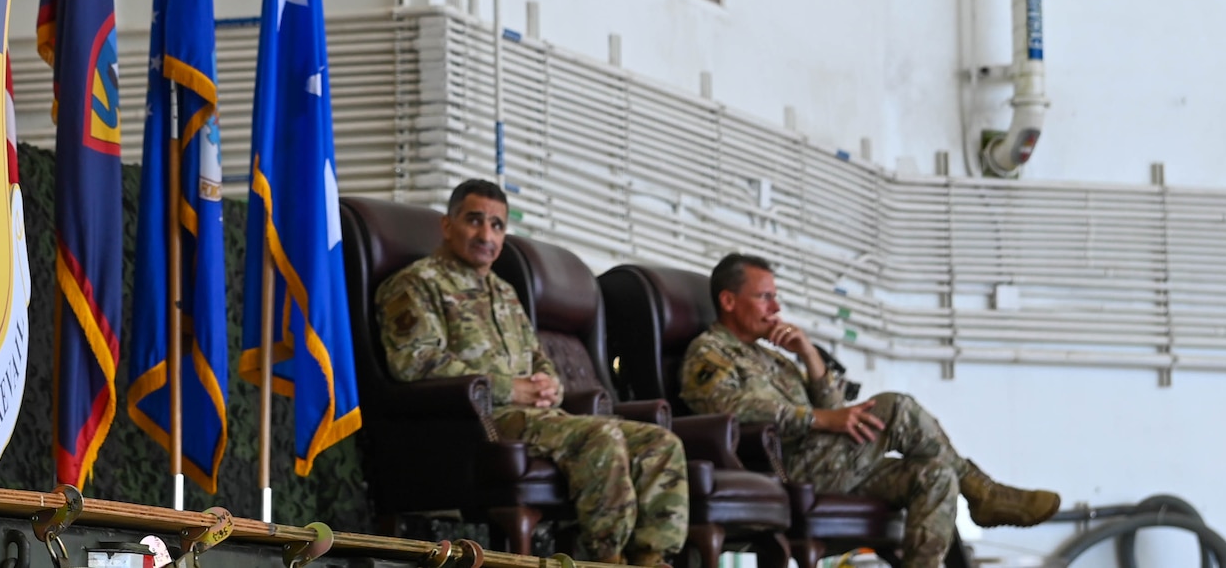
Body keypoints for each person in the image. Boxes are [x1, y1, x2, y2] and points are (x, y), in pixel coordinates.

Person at [377, 179, 687, 566]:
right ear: (447, 225)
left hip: (537, 417)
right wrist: (511, 389)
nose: (485, 234)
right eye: (474, 221)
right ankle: (605, 559)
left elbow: (539, 360)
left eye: (497, 225)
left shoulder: (504, 292)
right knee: (602, 435)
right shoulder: (416, 284)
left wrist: (548, 386)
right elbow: (414, 364)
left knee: (661, 443)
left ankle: (651, 559)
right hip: (475, 421)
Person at [680, 253, 1058, 568]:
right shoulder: (709, 352)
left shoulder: (774, 358)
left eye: (776, 297)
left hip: (831, 462)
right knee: (895, 407)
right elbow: (731, 411)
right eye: (765, 297)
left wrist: (809, 356)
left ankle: (967, 501)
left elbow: (834, 410)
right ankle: (983, 493)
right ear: (729, 301)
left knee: (935, 475)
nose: (776, 308)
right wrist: (819, 419)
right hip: (781, 468)